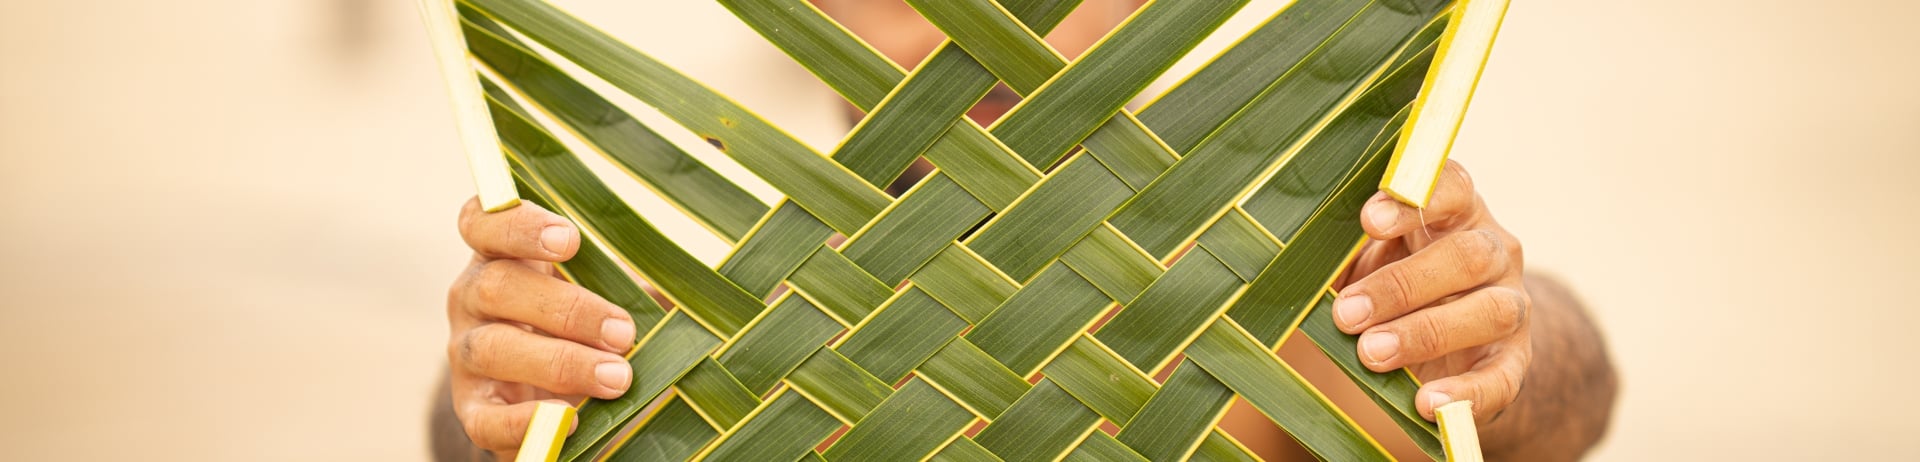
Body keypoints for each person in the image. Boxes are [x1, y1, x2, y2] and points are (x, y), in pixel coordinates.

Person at [432, 1, 1619, 460]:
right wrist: (496, 384)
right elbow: (469, 426)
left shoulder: (1274, 290)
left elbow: (1568, 392)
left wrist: (1497, 351)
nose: (984, 12)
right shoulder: (711, 302)